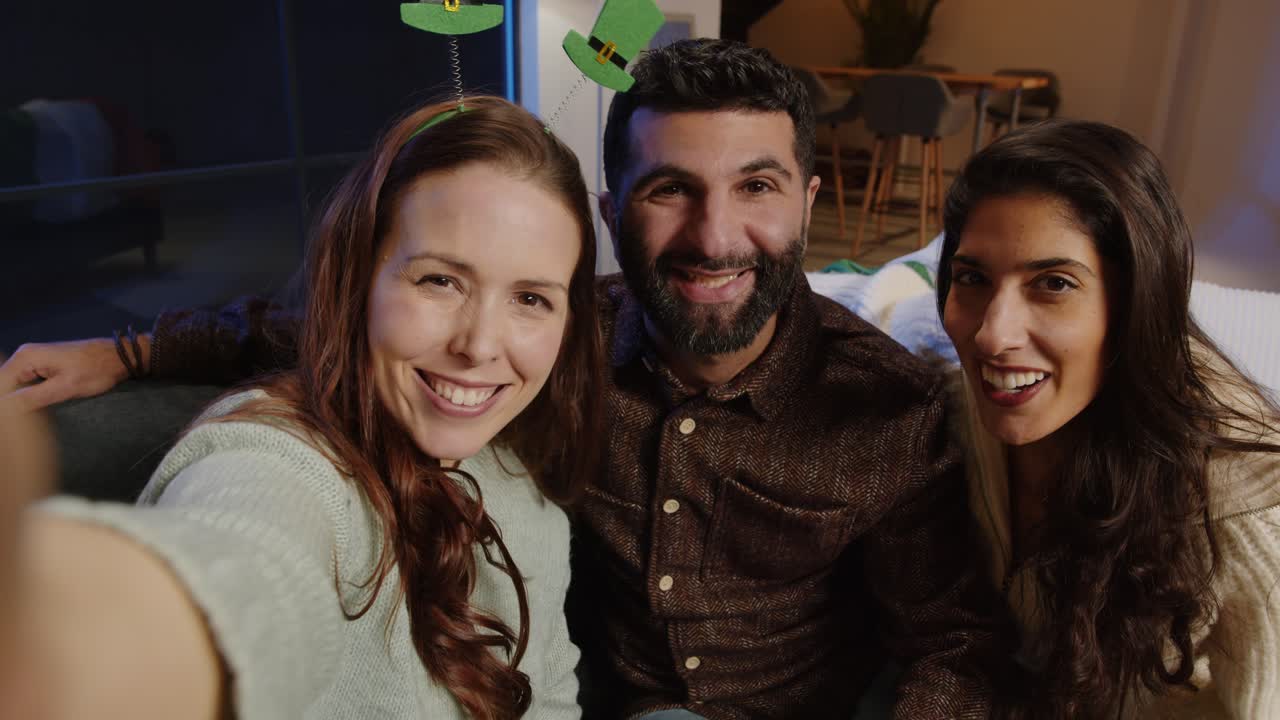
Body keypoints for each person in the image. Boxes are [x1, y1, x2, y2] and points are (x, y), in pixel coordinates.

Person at [0, 40, 1008, 718]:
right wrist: (125, 357)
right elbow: (260, 527)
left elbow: (953, 645)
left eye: (756, 187)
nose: (712, 235)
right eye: (670, 191)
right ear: (616, 216)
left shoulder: (890, 410)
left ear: (809, 201)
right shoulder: (559, 348)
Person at [0, 95, 604, 719]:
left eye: (531, 298)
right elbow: (246, 571)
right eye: (439, 281)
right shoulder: (281, 461)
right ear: (359, 277)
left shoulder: (524, 493)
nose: (478, 346)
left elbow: (552, 698)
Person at [936, 119, 1280, 718]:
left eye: (1053, 284)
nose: (993, 335)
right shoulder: (952, 415)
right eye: (972, 278)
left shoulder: (1240, 492)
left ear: (1134, 305)